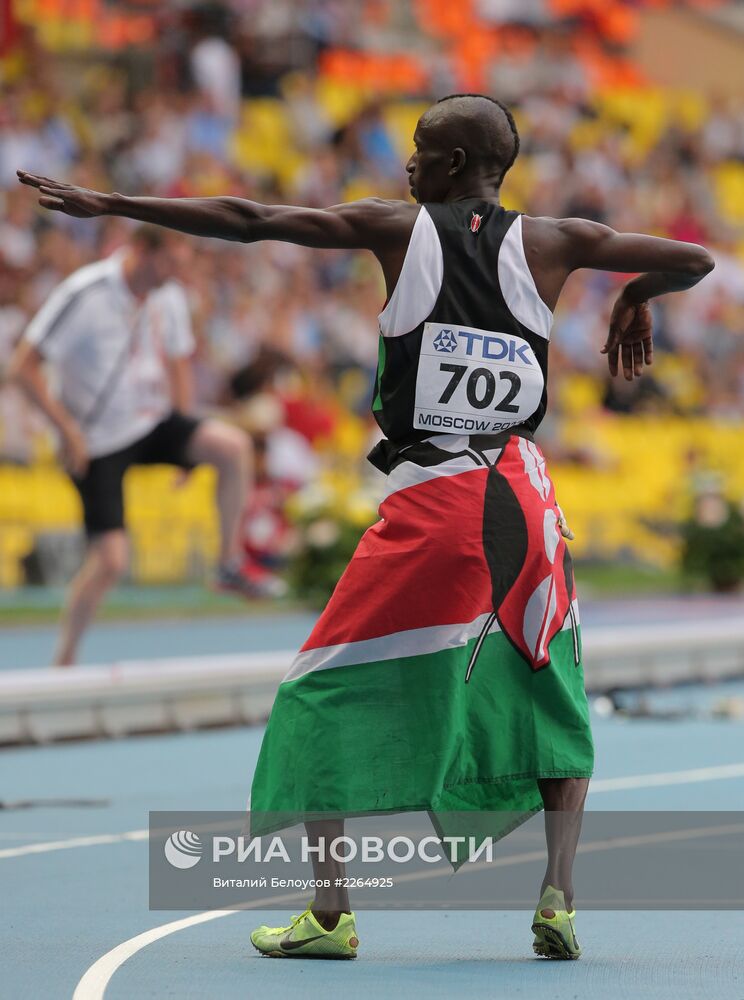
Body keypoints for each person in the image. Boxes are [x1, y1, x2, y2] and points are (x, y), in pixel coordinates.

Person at [17, 92, 714, 956]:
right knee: (550, 695)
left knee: (318, 687)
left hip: (437, 502)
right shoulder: (558, 241)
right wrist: (637, 296)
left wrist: (114, 203)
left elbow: (251, 218)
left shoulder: (398, 228)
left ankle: (331, 915)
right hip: (531, 501)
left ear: (454, 166)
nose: (407, 159)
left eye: (421, 147)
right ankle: (558, 900)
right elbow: (693, 257)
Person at [8, 224, 282, 667]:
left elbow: (177, 365)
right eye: (170, 264)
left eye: (182, 266)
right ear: (141, 251)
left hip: (150, 421)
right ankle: (64, 659)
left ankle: (228, 563)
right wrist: (66, 431)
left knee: (231, 446)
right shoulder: (85, 293)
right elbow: (24, 367)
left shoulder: (168, 295)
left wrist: (186, 439)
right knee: (112, 561)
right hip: (95, 440)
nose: (176, 275)